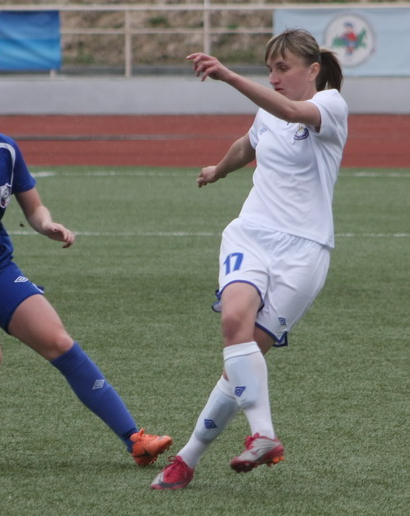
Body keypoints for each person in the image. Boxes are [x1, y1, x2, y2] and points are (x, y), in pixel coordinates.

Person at [0, 60, 172, 467]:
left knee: (59, 342)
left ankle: (136, 441)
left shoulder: (6, 150)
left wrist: (47, 225)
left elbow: (34, 208)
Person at [151, 29, 348, 490]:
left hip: (305, 250)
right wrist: (218, 170)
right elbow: (248, 144)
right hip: (252, 234)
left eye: (282, 68)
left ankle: (187, 459)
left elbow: (291, 112)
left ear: (313, 70)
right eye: (269, 70)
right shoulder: (268, 108)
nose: (274, 77)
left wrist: (229, 76)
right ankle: (263, 435)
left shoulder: (331, 105)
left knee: (241, 363)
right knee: (234, 321)